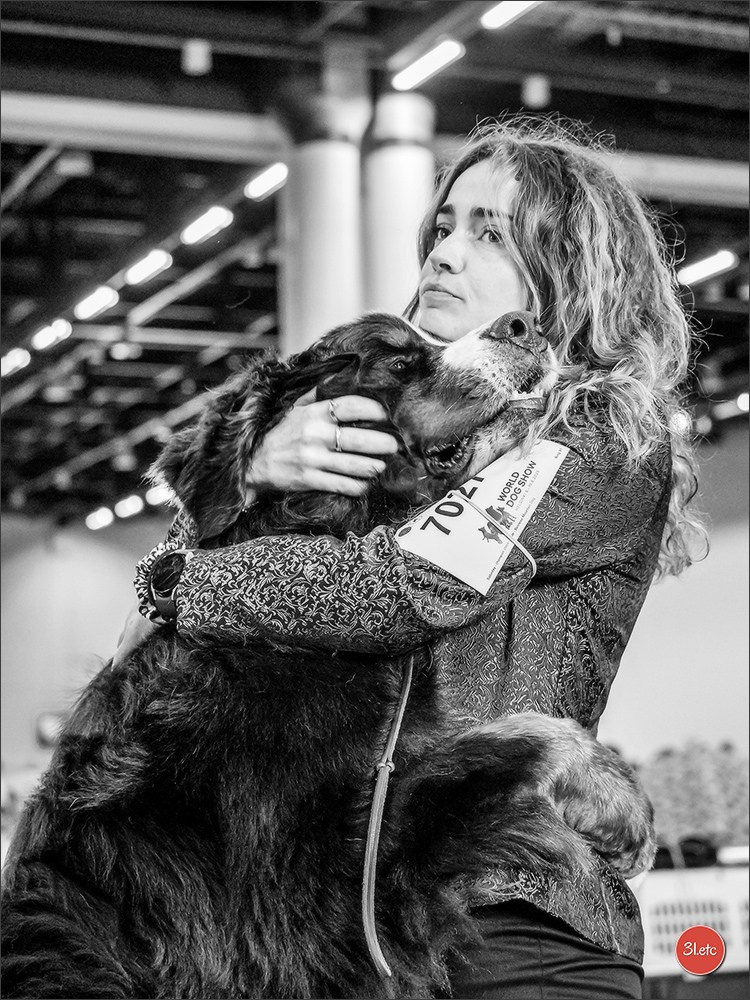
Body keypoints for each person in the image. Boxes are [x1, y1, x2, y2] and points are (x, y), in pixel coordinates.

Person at [116, 117, 706, 999]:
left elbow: (395, 589)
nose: (444, 253)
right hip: (343, 934)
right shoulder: (393, 425)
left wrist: (179, 581)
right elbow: (167, 650)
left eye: (489, 233)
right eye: (443, 226)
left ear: (568, 271)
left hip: (508, 927)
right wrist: (248, 474)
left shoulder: (606, 435)